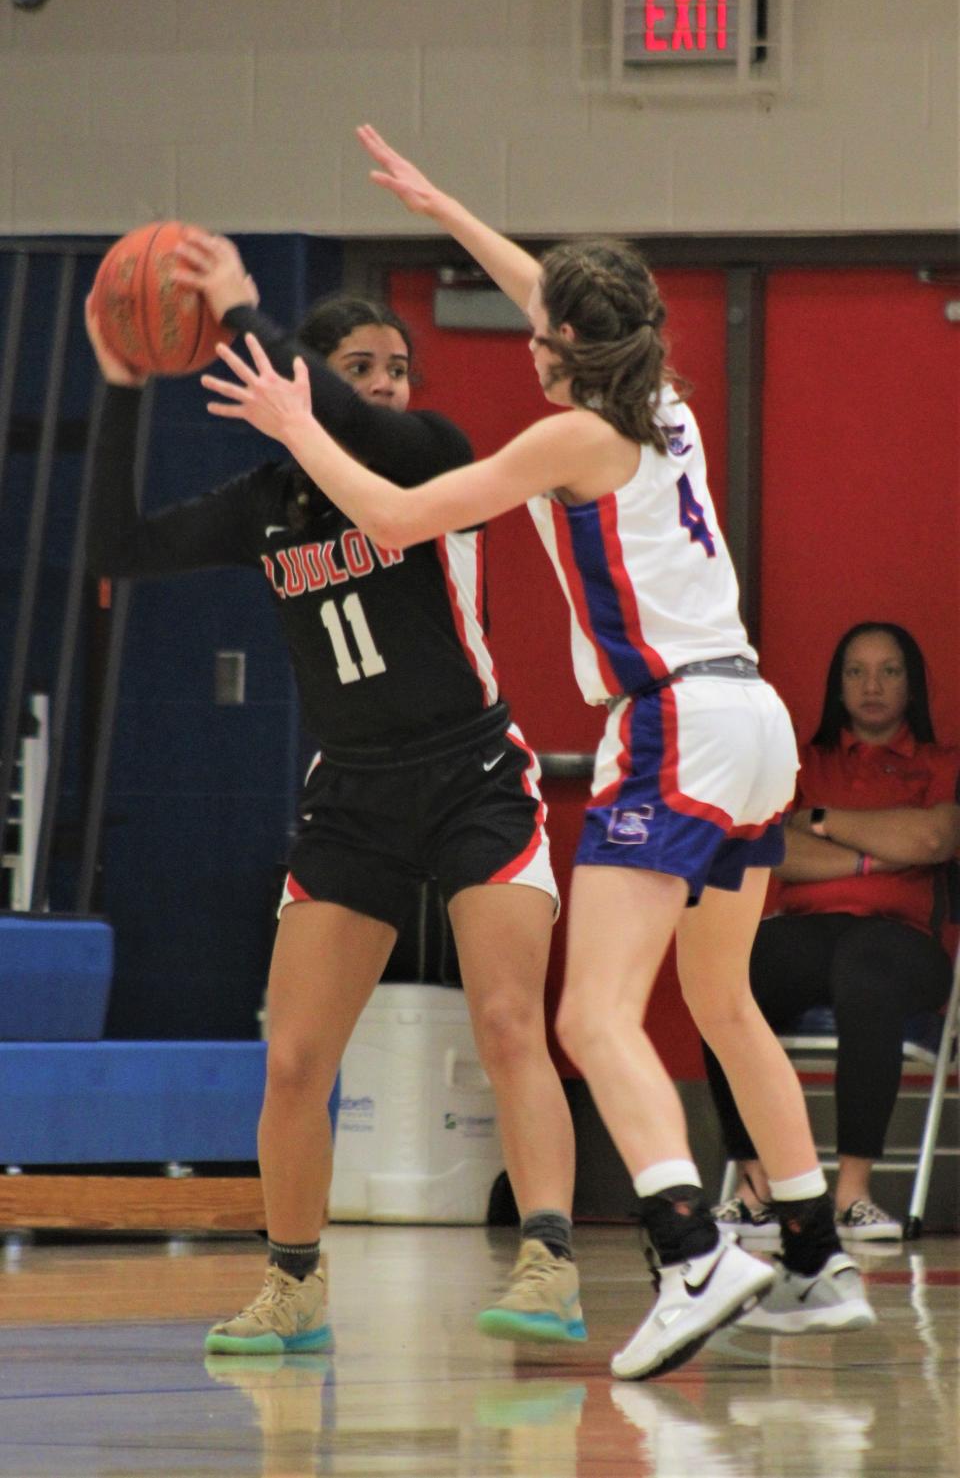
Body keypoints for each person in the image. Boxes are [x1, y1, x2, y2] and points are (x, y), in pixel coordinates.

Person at [201, 124, 876, 1380]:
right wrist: (447, 206)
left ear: (564, 349)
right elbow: (548, 294)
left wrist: (301, 424)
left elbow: (398, 514)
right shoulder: (663, 402)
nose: (532, 329)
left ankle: (689, 1248)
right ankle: (817, 1252)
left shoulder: (569, 438)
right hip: (756, 719)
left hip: (670, 722)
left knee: (592, 1011)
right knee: (721, 1000)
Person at [84, 249, 587, 1357]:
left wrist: (236, 311)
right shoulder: (270, 504)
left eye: (398, 366)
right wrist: (122, 382)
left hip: (472, 774)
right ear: (313, 366)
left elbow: (359, 430)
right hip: (354, 789)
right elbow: (118, 546)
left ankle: (549, 1257)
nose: (388, 384)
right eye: (361, 365)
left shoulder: (434, 457)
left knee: (509, 1020)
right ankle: (295, 1282)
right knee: (298, 1058)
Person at [706, 622, 960, 1242]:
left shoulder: (940, 764)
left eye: (889, 670)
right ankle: (758, 1184)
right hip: (810, 933)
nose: (871, 685)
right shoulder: (802, 761)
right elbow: (774, 850)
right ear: (837, 686)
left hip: (905, 945)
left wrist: (822, 820)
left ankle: (851, 1194)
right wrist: (875, 856)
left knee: (866, 968)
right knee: (720, 975)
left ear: (912, 685)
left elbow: (932, 839)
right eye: (856, 671)